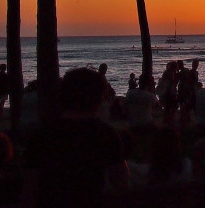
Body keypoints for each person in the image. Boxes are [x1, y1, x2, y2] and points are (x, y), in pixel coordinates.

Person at [21, 67, 129, 207]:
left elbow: (29, 186)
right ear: (100, 97)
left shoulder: (43, 135)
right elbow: (121, 182)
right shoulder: (106, 134)